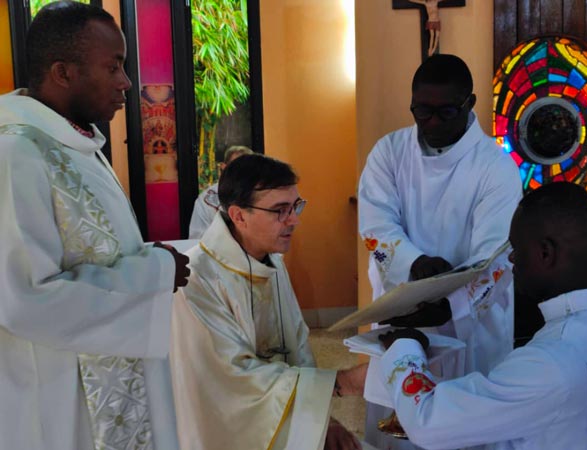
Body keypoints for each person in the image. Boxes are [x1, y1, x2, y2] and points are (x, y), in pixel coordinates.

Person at [0, 2, 190, 449]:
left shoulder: (75, 145)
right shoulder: (16, 155)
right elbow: (23, 300)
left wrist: (151, 261)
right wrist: (155, 272)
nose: (126, 82)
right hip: (59, 396)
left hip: (107, 380)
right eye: (114, 66)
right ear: (63, 73)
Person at [358, 54, 522, 448]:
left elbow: (496, 254)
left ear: (469, 104)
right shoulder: (389, 152)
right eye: (421, 111)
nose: (431, 123)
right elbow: (376, 225)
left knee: (463, 428)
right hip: (402, 308)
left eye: (445, 112)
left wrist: (450, 305)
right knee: (395, 430)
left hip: (470, 325)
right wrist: (415, 263)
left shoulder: (495, 167)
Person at [378, 181, 587, 450]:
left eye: (516, 248)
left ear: (545, 253)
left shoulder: (551, 362)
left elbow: (427, 421)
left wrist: (403, 348)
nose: (512, 259)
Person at [170, 154, 366, 450]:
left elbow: (298, 348)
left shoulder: (271, 262)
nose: (294, 220)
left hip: (280, 417)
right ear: (239, 216)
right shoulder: (195, 279)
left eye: (296, 206)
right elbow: (232, 380)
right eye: (279, 211)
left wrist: (323, 423)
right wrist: (343, 382)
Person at [189, 145, 253, 239]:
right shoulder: (207, 200)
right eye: (236, 167)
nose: (242, 172)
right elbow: (198, 237)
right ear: (224, 167)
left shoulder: (261, 195)